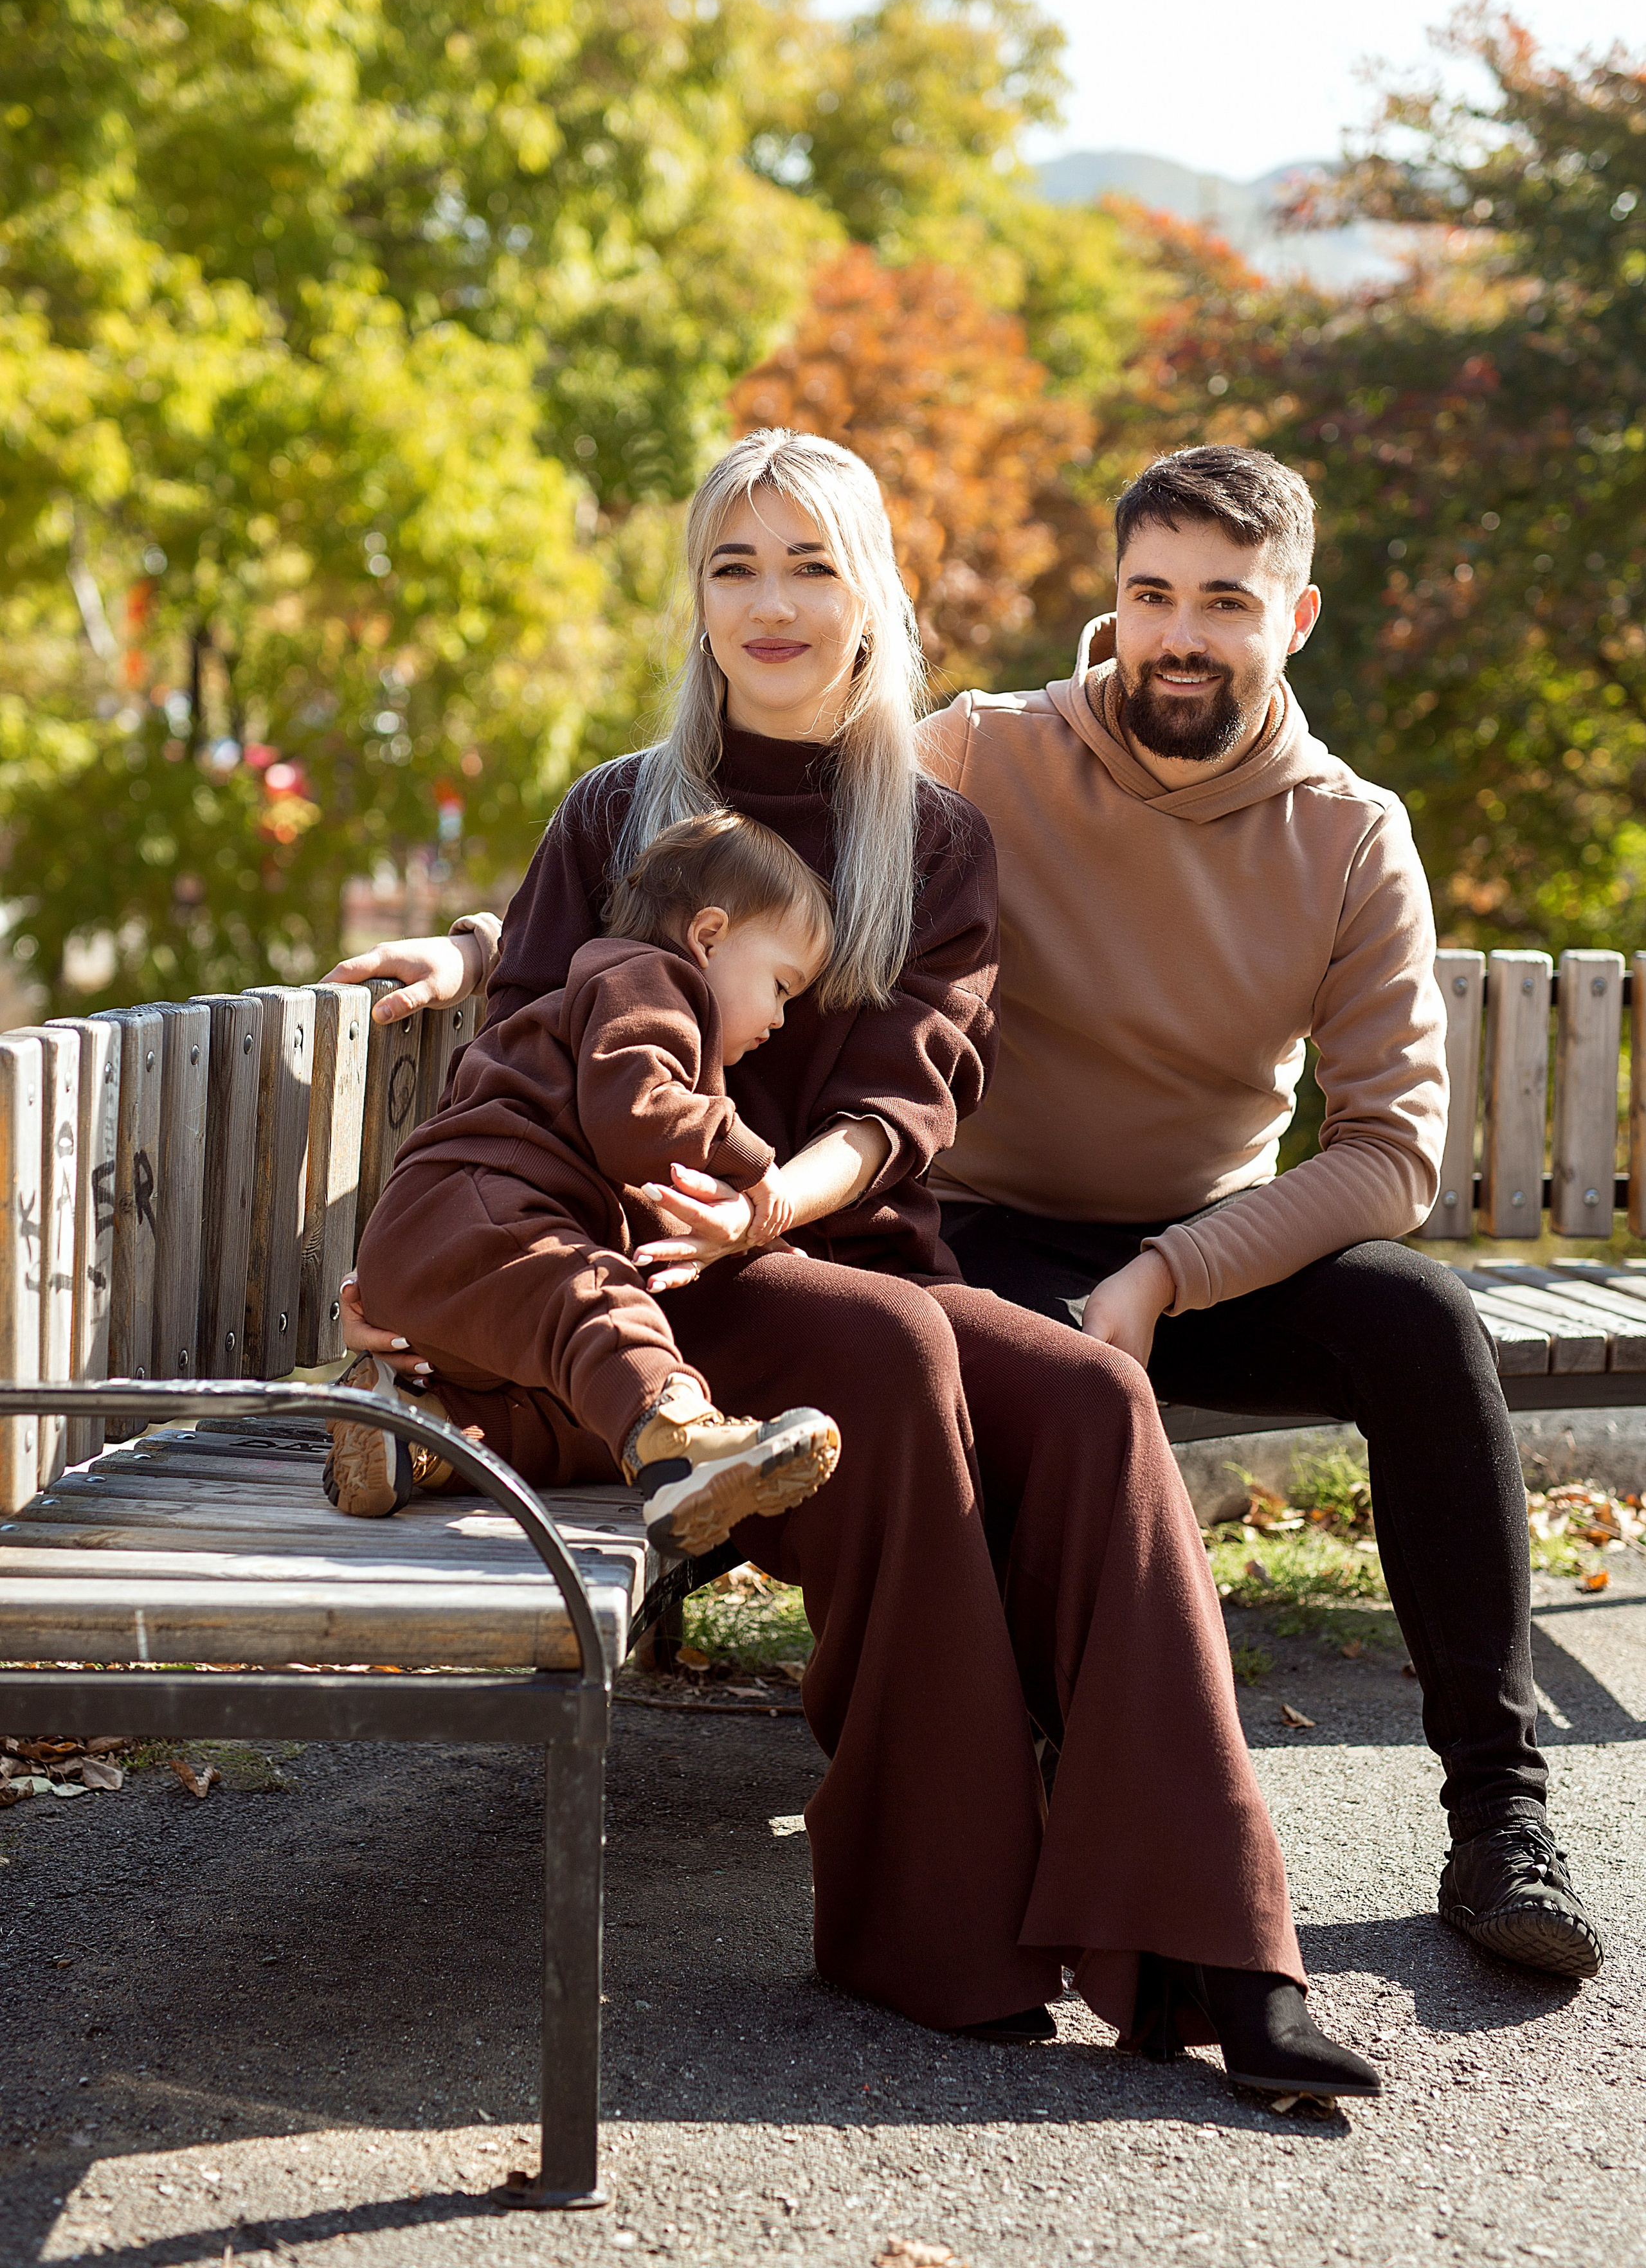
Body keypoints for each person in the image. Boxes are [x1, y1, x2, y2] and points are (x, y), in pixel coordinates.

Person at [325, 428, 1379, 2098]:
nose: (772, 602)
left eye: (811, 564)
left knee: (1100, 1399)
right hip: (638, 1279)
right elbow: (536, 1022)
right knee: (894, 1360)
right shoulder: (620, 809)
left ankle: (1219, 1952)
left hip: (824, 1248)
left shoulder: (936, 839)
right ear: (697, 596)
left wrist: (764, 1206)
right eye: (736, 566)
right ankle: (932, 1936)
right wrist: (466, 953)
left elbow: (907, 1104)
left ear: (871, 591)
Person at [918, 442, 1604, 1985]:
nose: (1179, 631)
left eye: (1221, 600)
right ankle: (1047, 1810)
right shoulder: (977, 751)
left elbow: (1387, 1154)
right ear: (1111, 601)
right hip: (989, 1227)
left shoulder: (1350, 832)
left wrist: (1167, 1272)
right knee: (1026, 1358)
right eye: (1150, 592)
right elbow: (748, 846)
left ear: (1290, 616)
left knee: (1422, 1321)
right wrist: (482, 940)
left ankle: (1499, 1815)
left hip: (1201, 1247)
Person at [329, 808, 843, 1553]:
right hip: (471, 1209)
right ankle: (679, 1446)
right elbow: (638, 1116)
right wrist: (756, 1165)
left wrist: (751, 1251)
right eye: (782, 986)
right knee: (599, 1301)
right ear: (707, 937)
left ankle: (418, 1437)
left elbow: (651, 1189)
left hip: (460, 1264)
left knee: (599, 1412)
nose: (781, 1019)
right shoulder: (649, 979)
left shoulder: (640, 1006)